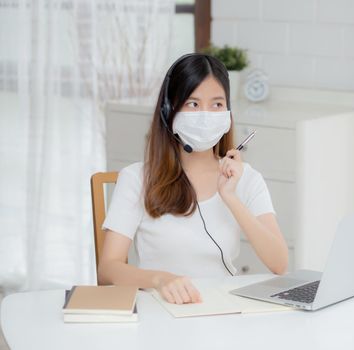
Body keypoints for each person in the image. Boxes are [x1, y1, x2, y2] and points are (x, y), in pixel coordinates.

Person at [97, 53, 288, 305]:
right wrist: (159, 279)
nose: (205, 115)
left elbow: (279, 263)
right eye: (193, 104)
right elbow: (107, 270)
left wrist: (230, 197)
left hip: (222, 312)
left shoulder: (246, 178)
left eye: (217, 104)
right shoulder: (136, 179)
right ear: (168, 111)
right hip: (161, 313)